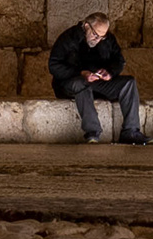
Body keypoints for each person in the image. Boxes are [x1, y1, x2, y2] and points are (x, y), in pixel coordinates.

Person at [47, 10, 147, 144]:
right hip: (71, 82)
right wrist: (81, 73)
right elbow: (54, 65)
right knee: (82, 84)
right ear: (87, 26)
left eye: (102, 37)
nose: (97, 39)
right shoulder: (68, 38)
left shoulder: (108, 39)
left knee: (128, 83)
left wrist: (109, 72)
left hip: (98, 83)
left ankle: (131, 131)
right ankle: (92, 132)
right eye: (95, 35)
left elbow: (119, 61)